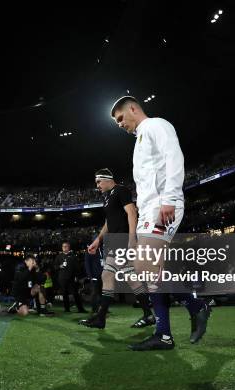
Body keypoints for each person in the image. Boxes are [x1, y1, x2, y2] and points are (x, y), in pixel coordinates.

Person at [110, 96, 211, 351]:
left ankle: (197, 306)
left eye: (121, 118)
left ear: (133, 108)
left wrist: (170, 198)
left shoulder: (156, 125)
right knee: (145, 269)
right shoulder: (141, 139)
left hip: (163, 207)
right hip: (149, 212)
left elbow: (173, 157)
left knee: (145, 266)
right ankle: (163, 334)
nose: (120, 124)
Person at [79, 168, 155, 329]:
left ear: (107, 179)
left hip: (122, 239)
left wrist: (132, 238)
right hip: (114, 240)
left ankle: (101, 318)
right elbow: (108, 222)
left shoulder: (121, 190)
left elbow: (132, 213)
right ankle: (148, 314)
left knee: (108, 274)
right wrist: (97, 240)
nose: (97, 185)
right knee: (128, 277)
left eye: (99, 181)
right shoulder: (107, 196)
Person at [53, 241, 87, 313]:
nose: (64, 248)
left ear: (69, 247)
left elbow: (77, 268)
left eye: (66, 246)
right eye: (63, 246)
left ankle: (80, 309)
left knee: (75, 293)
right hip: (62, 278)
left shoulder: (73, 256)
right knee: (64, 294)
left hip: (71, 278)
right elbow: (55, 267)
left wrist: (77, 276)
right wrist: (60, 266)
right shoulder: (59, 256)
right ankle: (67, 309)